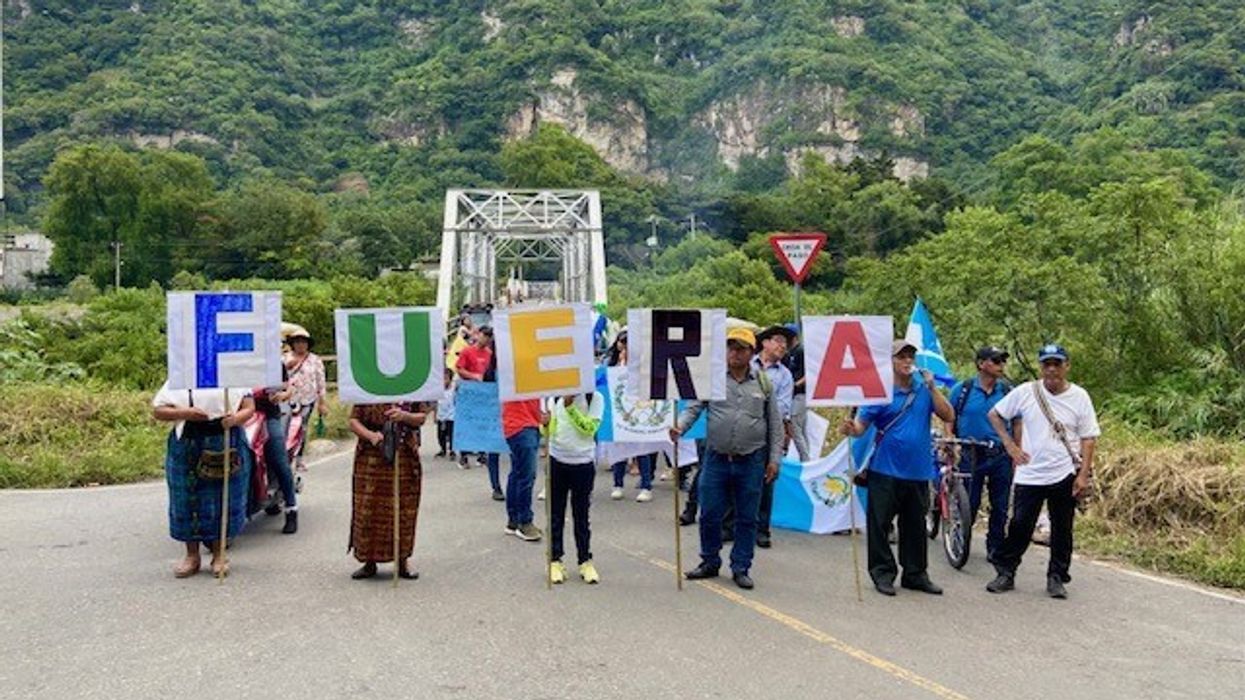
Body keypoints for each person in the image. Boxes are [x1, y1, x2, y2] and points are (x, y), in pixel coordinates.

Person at [840, 339, 955, 597]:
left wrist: (932, 387)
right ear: (890, 361)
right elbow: (860, 428)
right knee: (880, 524)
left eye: (909, 357)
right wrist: (850, 429)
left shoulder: (923, 389)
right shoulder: (879, 392)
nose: (906, 362)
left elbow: (948, 415)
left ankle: (915, 574)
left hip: (918, 471)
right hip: (885, 469)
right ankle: (882, 573)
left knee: (914, 525)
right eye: (900, 357)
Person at [673, 327, 783, 590]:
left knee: (747, 518)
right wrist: (678, 428)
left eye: (741, 348)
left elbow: (775, 425)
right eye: (731, 347)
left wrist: (774, 459)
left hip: (751, 461)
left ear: (751, 352)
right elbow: (694, 409)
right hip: (716, 459)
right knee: (709, 513)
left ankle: (741, 566)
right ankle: (709, 561)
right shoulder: (712, 381)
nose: (735, 352)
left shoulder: (763, 383)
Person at [986, 344, 1099, 599]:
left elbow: (1089, 437)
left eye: (1056, 364)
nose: (1051, 369)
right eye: (1046, 364)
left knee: (1062, 528)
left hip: (1064, 472)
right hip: (1030, 472)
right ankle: (1005, 571)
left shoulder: (1079, 396)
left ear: (1066, 366)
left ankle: (1057, 577)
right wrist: (1010, 445)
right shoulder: (1027, 392)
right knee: (1020, 525)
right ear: (1041, 367)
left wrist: (1083, 475)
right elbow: (995, 414)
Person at [153, 384, 256, 578]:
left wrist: (235, 419)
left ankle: (219, 555)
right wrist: (185, 412)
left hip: (224, 438)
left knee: (220, 499)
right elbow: (158, 410)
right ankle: (192, 555)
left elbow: (249, 407)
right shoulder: (181, 376)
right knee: (186, 499)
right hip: (187, 443)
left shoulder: (231, 374)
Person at [945, 346, 1014, 564]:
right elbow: (948, 416)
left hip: (1001, 454)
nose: (1000, 365)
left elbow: (1018, 421)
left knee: (1000, 505)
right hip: (971, 453)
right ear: (982, 364)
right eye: (996, 361)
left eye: (1002, 361)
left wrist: (1016, 449)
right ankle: (960, 540)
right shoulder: (962, 390)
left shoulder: (1007, 391)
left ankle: (995, 547)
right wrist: (950, 441)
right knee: (969, 501)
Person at [347, 401, 427, 580]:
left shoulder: (412, 387)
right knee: (368, 508)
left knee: (404, 508)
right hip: (370, 455)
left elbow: (421, 417)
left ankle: (402, 561)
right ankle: (369, 561)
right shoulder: (366, 388)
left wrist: (404, 416)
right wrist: (370, 435)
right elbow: (353, 420)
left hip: (404, 453)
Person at [544, 391, 605, 584]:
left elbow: (589, 429)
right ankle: (555, 560)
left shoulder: (594, 398)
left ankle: (585, 560)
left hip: (583, 462)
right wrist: (544, 425)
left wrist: (570, 407)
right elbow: (552, 432)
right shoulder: (553, 397)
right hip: (557, 460)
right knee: (555, 514)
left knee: (581, 515)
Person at [749, 325, 795, 549]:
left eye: (785, 343)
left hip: (769, 429)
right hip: (744, 428)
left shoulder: (785, 375)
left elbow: (784, 405)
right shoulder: (747, 364)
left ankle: (762, 529)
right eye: (778, 340)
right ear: (765, 342)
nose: (782, 346)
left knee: (766, 479)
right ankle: (729, 526)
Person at [603, 330, 658, 502]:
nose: (625, 346)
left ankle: (646, 485)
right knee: (619, 449)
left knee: (642, 450)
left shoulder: (644, 364)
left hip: (639, 412)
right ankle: (617, 484)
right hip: (620, 413)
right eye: (623, 342)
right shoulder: (612, 363)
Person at [457, 326, 503, 499]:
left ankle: (498, 484)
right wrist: (474, 377)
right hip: (479, 399)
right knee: (486, 441)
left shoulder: (491, 355)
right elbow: (459, 369)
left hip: (496, 405)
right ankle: (495, 485)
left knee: (496, 446)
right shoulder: (468, 352)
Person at [253, 367, 299, 534]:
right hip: (240, 417)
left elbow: (288, 387)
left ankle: (291, 509)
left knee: (279, 460)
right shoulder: (235, 358)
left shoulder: (272, 361)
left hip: (268, 415)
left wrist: (283, 395)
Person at [283, 329, 327, 472]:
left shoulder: (315, 360)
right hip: (287, 399)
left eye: (303, 342)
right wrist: (287, 367)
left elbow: (321, 381)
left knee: (302, 428)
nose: (300, 345)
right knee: (286, 427)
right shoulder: (285, 358)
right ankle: (285, 457)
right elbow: (278, 376)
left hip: (308, 399)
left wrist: (322, 402)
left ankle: (299, 459)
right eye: (297, 342)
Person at [503, 396, 544, 542]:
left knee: (518, 472)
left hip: (527, 423)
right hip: (520, 425)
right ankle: (524, 522)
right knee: (526, 475)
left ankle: (514, 521)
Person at [782, 323, 811, 462]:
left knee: (795, 427)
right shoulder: (789, 353)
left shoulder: (801, 351)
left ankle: (805, 459)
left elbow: (809, 373)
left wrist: (794, 385)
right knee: (801, 427)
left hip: (801, 394)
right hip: (794, 395)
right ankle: (807, 458)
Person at [435, 368, 457, 462]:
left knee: (451, 434)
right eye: (442, 378)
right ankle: (443, 449)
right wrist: (435, 415)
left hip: (451, 416)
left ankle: (452, 450)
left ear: (450, 379)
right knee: (440, 435)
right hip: (441, 415)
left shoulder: (453, 390)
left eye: (446, 378)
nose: (444, 381)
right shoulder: (438, 390)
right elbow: (436, 404)